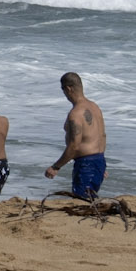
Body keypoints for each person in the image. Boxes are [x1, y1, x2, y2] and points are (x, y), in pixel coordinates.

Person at [42, 72, 107, 201]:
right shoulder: (95, 107)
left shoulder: (76, 114)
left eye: (63, 89)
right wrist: (101, 163)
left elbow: (74, 146)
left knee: (82, 201)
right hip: (98, 160)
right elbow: (102, 136)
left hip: (86, 164)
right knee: (90, 200)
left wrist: (56, 167)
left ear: (68, 89)